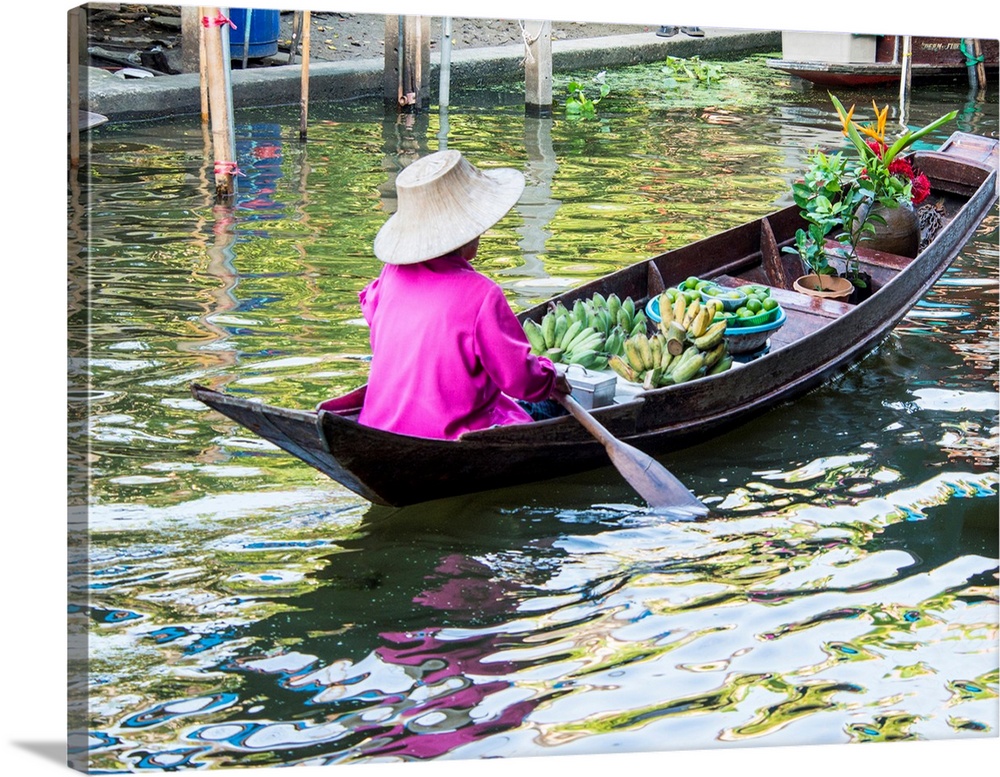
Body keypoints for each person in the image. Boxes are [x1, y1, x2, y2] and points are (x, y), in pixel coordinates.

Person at [353, 149, 571, 440]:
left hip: (377, 424)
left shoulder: (390, 274)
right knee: (552, 408)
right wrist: (549, 376)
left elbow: (372, 310)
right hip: (452, 434)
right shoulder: (482, 294)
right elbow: (520, 380)